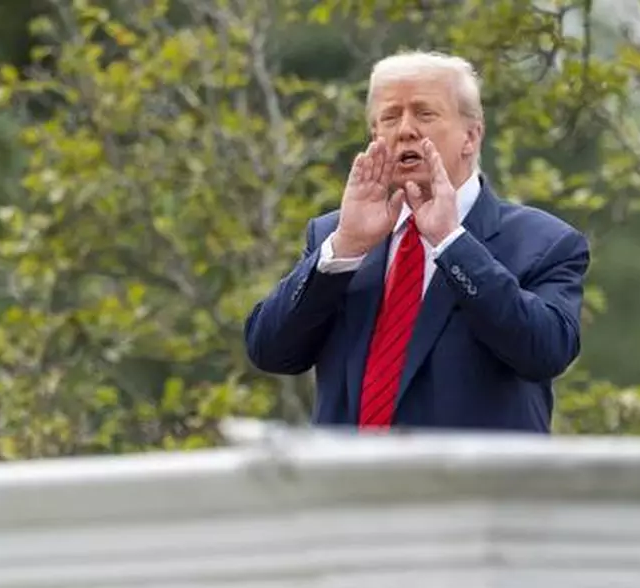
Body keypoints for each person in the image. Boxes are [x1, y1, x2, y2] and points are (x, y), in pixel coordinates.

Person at [243, 51, 590, 433]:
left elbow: (545, 351)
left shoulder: (545, 242)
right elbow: (271, 351)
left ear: (471, 136)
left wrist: (451, 242)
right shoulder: (335, 236)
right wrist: (345, 247)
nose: (405, 130)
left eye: (425, 114)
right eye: (390, 118)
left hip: (472, 490)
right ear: (375, 137)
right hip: (350, 487)